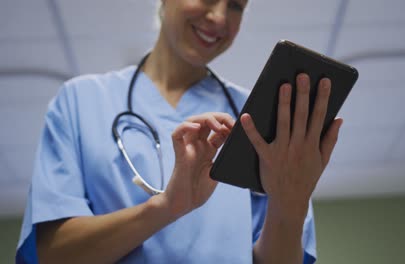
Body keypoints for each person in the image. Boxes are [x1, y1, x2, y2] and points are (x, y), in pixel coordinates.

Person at [16, 0, 343, 263]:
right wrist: (167, 207)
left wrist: (291, 203)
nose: (219, 16)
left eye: (236, 6)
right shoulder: (81, 101)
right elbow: (52, 254)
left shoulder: (257, 120)